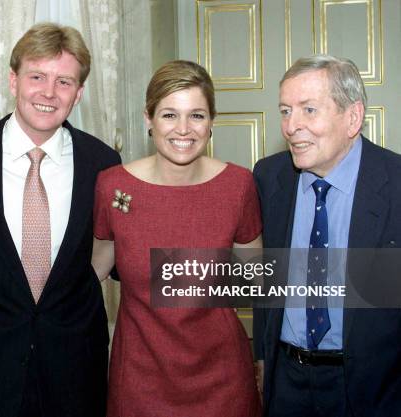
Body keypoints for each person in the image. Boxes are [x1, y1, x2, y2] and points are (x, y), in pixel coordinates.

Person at [0, 23, 120, 417]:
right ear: (14, 81)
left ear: (79, 93)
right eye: (37, 77)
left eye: (64, 81)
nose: (49, 93)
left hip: (75, 372)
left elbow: (116, 253)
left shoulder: (104, 165)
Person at [91, 60, 262, 417]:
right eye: (169, 115)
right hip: (139, 381)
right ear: (148, 119)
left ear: (212, 122)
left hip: (223, 380)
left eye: (197, 115)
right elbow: (91, 274)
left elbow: (255, 277)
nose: (183, 129)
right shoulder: (112, 186)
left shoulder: (239, 185)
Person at [253, 54, 401, 416]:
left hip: (376, 386)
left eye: (308, 110)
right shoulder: (268, 177)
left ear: (352, 117)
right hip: (285, 380)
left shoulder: (395, 181)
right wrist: (261, 356)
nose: (291, 126)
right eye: (285, 111)